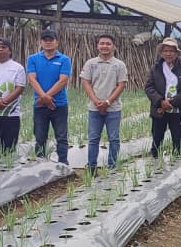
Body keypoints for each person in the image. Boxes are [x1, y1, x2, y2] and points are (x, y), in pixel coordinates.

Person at [80, 34, 129, 171]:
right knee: (93, 139)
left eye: (108, 44)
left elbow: (121, 85)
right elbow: (85, 82)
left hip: (113, 109)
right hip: (94, 108)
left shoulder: (119, 65)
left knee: (113, 139)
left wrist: (107, 102)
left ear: (114, 46)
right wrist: (96, 101)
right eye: (102, 43)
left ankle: (112, 167)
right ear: (97, 46)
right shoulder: (91, 63)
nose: (105, 46)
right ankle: (91, 168)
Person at [26, 28, 72, 165]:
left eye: (51, 40)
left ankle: (63, 164)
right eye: (45, 40)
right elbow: (32, 79)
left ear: (56, 42)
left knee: (61, 136)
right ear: (40, 42)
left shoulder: (64, 59)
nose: (48, 43)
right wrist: (44, 98)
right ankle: (40, 165)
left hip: (59, 104)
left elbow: (63, 80)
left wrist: (46, 97)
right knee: (40, 137)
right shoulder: (33, 59)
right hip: (40, 105)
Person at [145, 37, 181, 157]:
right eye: (166, 51)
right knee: (157, 137)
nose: (168, 53)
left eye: (172, 51)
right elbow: (149, 87)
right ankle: (155, 161)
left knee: (177, 137)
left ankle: (177, 162)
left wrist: (172, 103)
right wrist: (160, 101)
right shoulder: (155, 69)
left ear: (177, 53)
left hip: (178, 110)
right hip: (159, 109)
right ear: (161, 53)